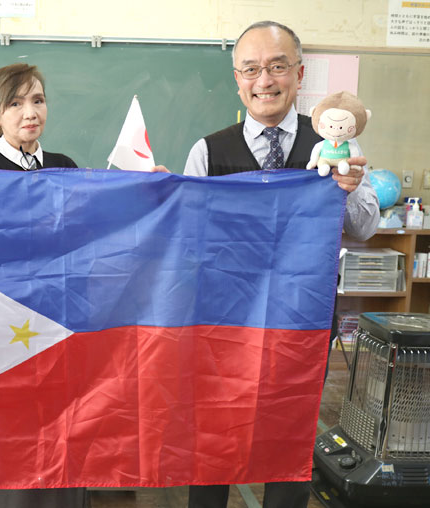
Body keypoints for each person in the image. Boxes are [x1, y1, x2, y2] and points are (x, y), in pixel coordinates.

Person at [168, 20, 379, 508]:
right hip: (222, 323)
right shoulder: (208, 151)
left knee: (290, 434)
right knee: (214, 434)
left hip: (303, 321)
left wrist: (347, 190)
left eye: (277, 67)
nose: (264, 80)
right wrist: (163, 198)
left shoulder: (334, 146)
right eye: (251, 69)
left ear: (299, 74)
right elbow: (184, 240)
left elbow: (366, 225)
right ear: (237, 79)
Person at [0, 63, 88, 508]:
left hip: (59, 323)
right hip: (4, 328)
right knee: (10, 437)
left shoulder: (64, 167)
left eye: (37, 100)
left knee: (62, 432)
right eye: (15, 104)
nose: (30, 113)